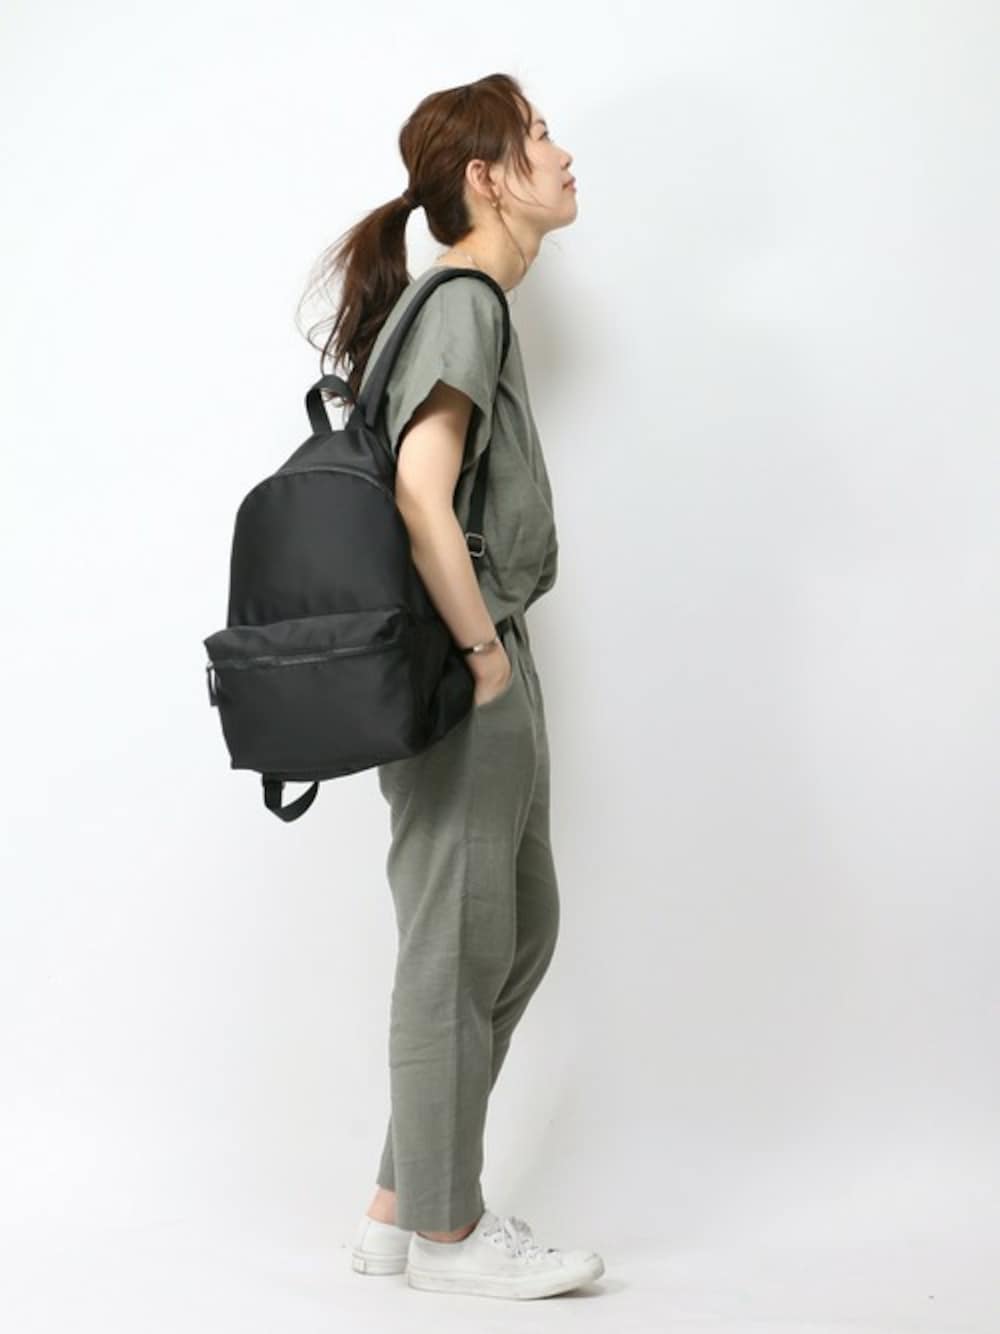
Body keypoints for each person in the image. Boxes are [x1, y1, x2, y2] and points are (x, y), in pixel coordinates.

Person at [298, 73, 601, 1300]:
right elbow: (423, 493)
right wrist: (482, 654)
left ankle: (395, 1211)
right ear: (486, 179)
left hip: (471, 652)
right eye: (538, 136)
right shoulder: (466, 299)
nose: (562, 154)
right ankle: (450, 1234)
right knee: (457, 947)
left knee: (510, 929)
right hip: (458, 661)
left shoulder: (465, 302)